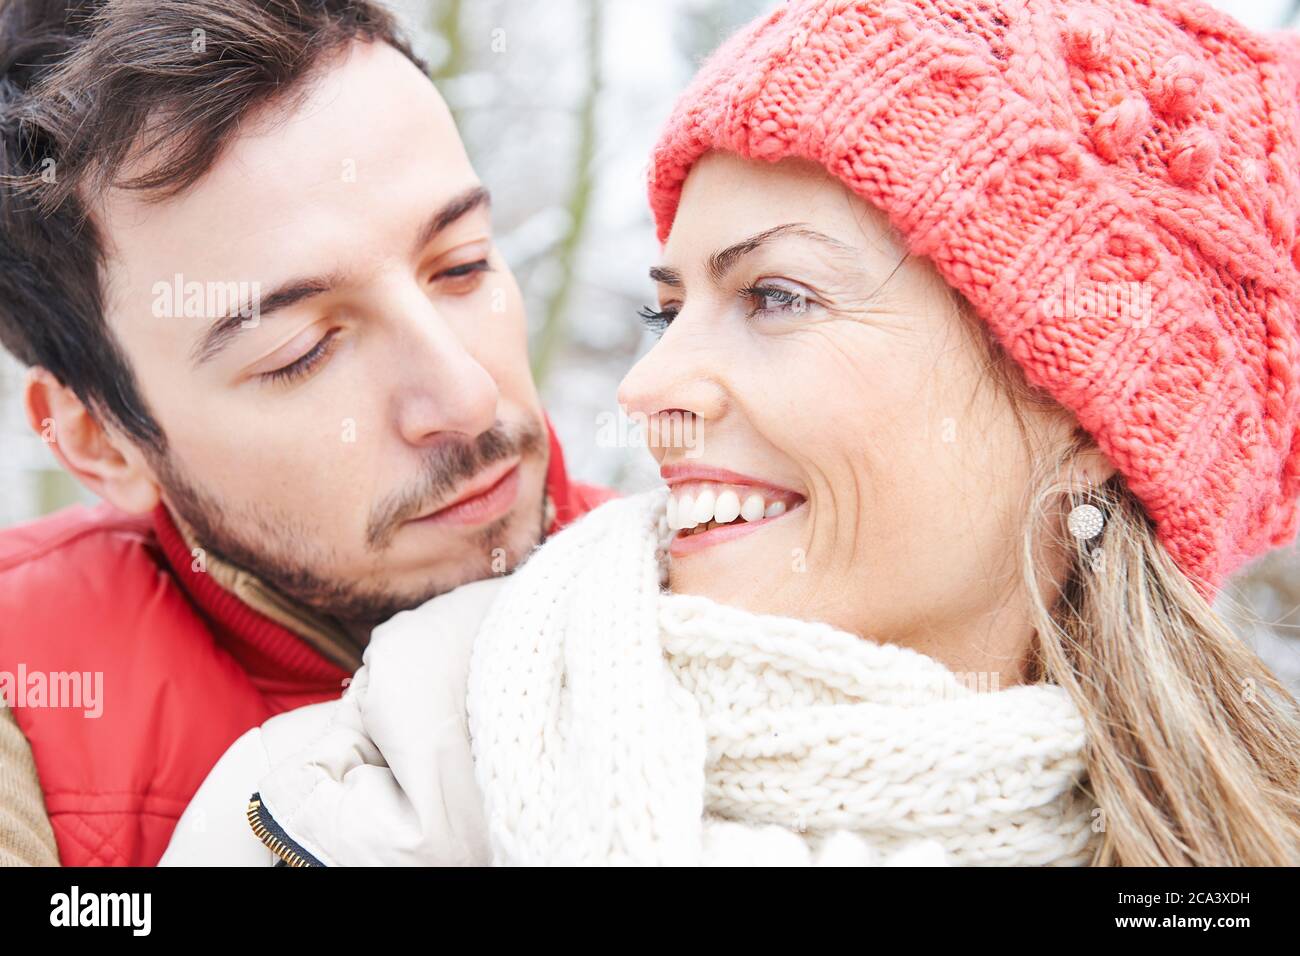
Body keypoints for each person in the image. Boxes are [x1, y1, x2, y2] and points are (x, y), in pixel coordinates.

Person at [165, 0, 1300, 866]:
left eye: (773, 295)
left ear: (1087, 409)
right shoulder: (346, 801)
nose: (651, 383)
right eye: (668, 308)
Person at [0, 0, 612, 866]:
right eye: (302, 352)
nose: (467, 398)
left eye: (464, 265)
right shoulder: (20, 693)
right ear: (101, 441)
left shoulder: (741, 588)